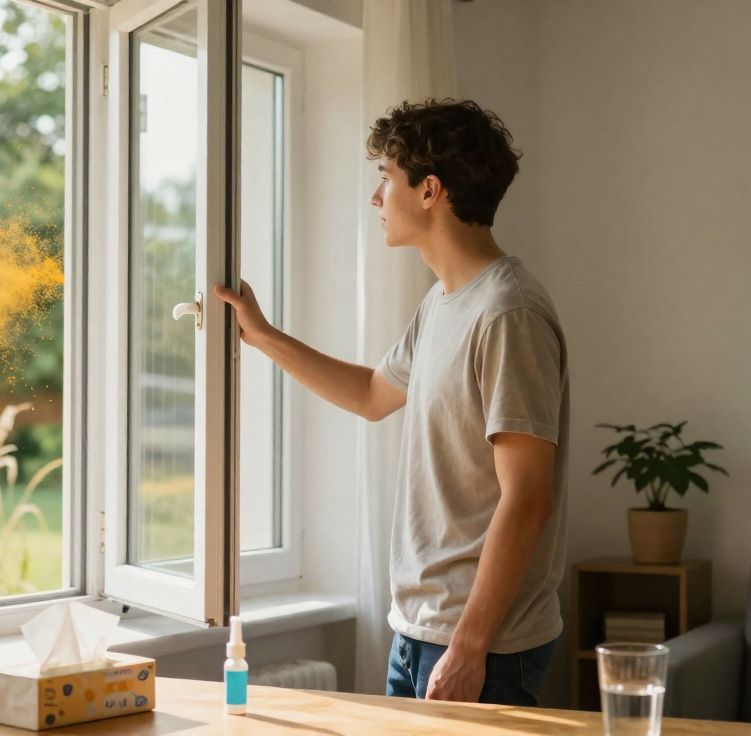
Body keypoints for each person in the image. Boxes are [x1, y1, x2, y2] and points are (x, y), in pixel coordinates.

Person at [214, 99, 569, 705]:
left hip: (480, 643)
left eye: (385, 177)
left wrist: (468, 647)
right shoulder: (443, 302)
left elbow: (527, 496)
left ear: (430, 190)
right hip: (420, 629)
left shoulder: (508, 313)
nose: (376, 198)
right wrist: (264, 335)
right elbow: (374, 394)